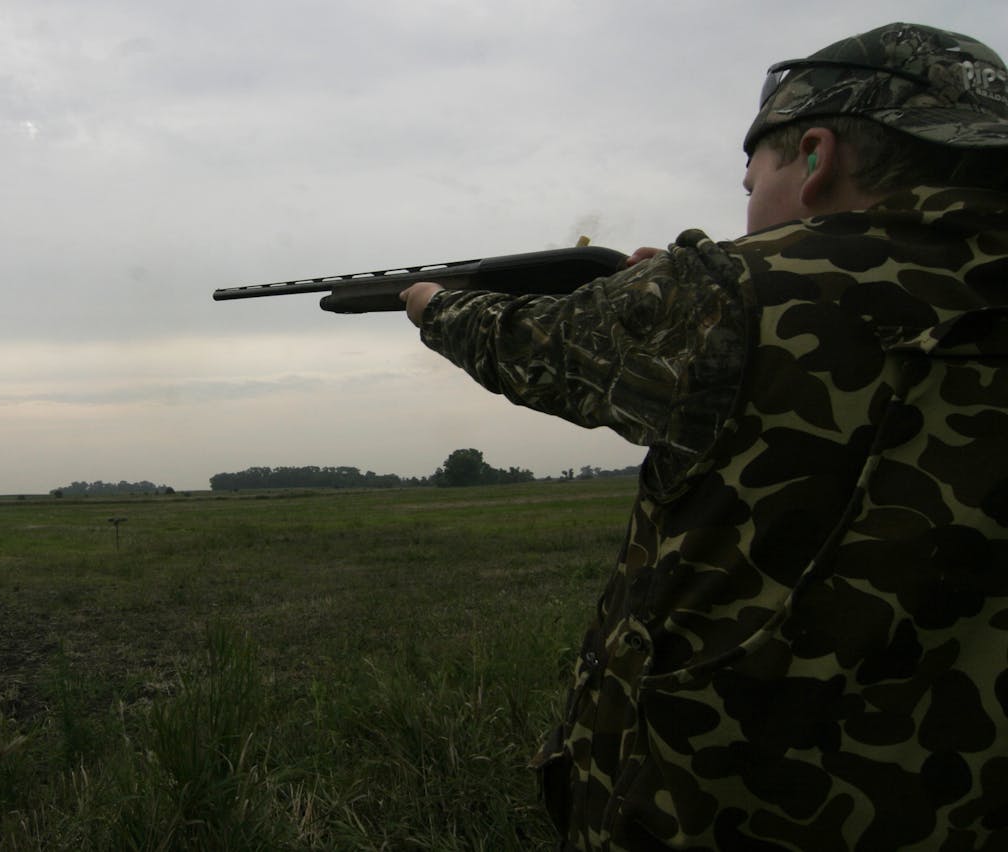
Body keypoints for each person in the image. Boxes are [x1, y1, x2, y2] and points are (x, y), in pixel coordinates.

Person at [401, 22, 1008, 852]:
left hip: (748, 800)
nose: (748, 203)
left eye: (751, 178)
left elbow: (534, 351)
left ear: (818, 155)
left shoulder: (731, 291)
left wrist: (435, 306)